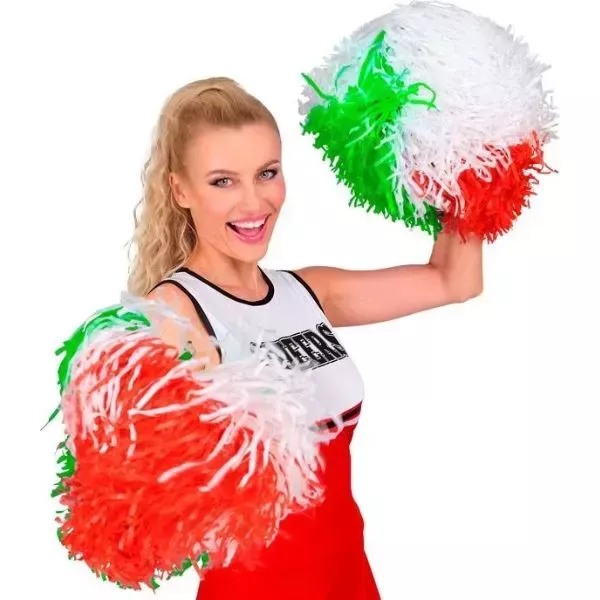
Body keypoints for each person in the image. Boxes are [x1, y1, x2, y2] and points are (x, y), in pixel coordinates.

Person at [126, 76, 483, 599]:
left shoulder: (305, 292)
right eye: (223, 181)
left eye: (266, 173)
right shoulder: (174, 313)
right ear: (180, 190)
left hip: (349, 580)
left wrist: (467, 159)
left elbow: (456, 281)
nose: (254, 202)